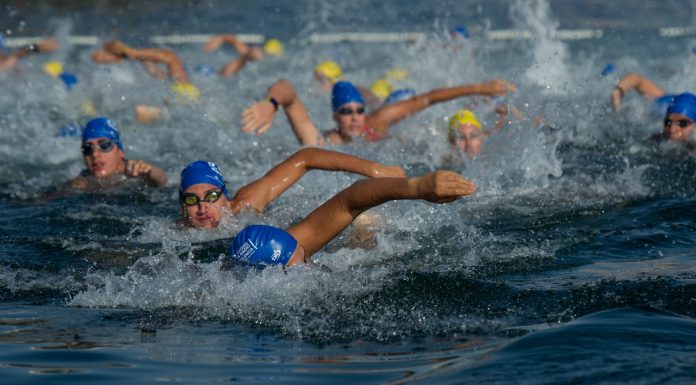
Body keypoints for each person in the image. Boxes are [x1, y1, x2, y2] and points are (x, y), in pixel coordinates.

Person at [229, 169, 477, 268]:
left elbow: (351, 200)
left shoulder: (284, 251)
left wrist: (417, 187)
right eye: (302, 260)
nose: (309, 261)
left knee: (364, 227)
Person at [241, 78, 516, 146]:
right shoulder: (320, 141)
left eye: (359, 110)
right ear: (335, 117)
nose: (355, 117)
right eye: (346, 112)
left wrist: (480, 87)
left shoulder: (375, 123)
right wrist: (271, 103)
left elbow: (427, 99)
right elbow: (287, 88)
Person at [178, 148, 405, 228]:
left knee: (363, 222)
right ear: (182, 208)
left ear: (226, 199)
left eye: (212, 196)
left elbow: (305, 158)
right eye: (191, 200)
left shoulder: (245, 206)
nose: (203, 207)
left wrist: (373, 169)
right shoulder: (173, 236)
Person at [92, 40, 200, 124]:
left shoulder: (179, 88)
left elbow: (169, 58)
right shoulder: (181, 89)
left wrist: (128, 52)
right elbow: (169, 58)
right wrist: (128, 51)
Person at [68, 117, 167, 190]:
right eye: (87, 148)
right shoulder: (83, 181)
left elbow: (162, 180)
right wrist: (70, 187)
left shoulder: (134, 172)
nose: (95, 154)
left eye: (104, 145)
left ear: (120, 151)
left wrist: (150, 171)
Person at [612, 73, 696, 144]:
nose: (672, 130)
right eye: (668, 122)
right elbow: (637, 78)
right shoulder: (660, 105)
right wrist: (618, 91)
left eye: (683, 123)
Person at [202, 34, 284, 78]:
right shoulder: (255, 56)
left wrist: (221, 38)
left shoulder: (252, 57)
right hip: (214, 74)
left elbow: (234, 41)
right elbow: (235, 41)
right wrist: (220, 38)